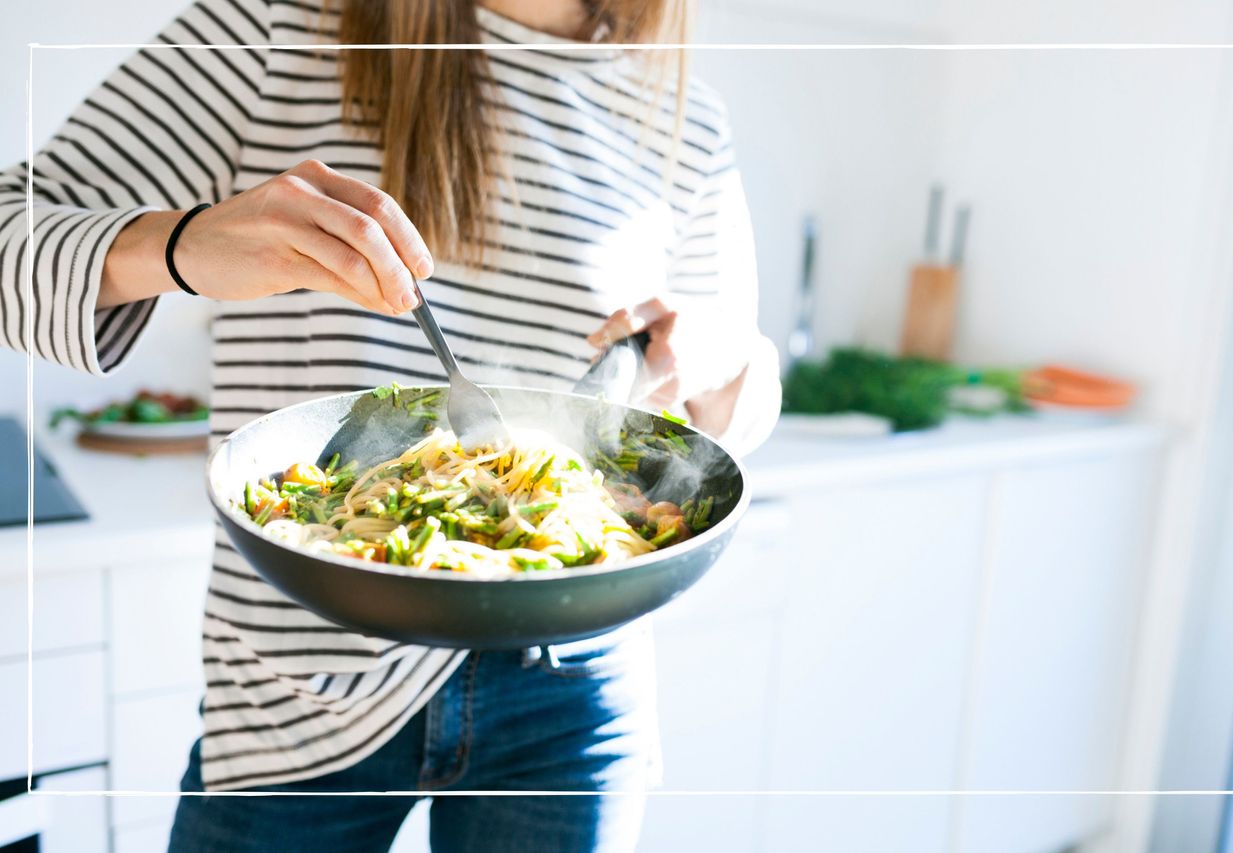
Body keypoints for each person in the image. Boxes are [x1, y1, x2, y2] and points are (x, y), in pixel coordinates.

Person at [0, 0, 780, 849]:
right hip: (299, 681)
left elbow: (735, 404)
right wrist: (182, 245)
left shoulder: (684, 117)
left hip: (572, 680)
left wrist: (729, 360)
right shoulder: (272, 29)